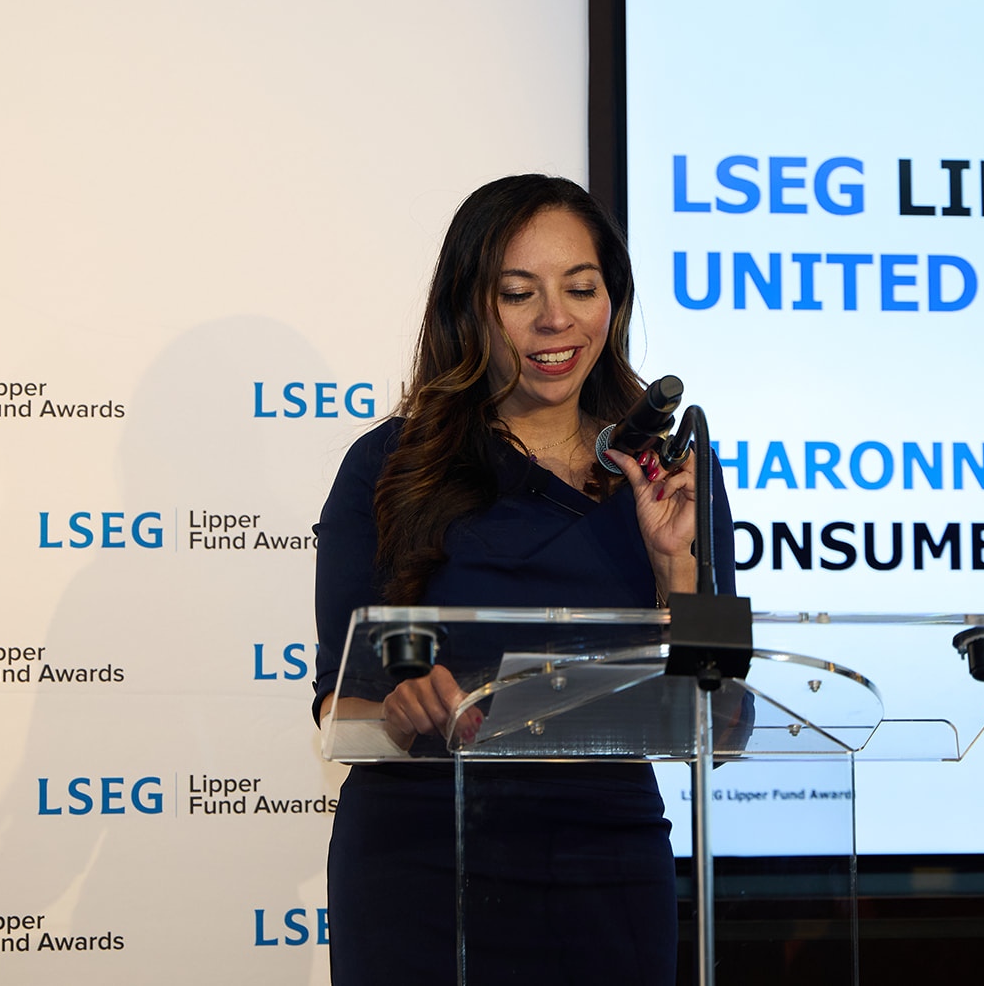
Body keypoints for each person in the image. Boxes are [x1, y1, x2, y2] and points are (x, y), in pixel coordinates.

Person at [312, 174, 734, 985]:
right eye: (518, 293)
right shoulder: (388, 466)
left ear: (614, 300)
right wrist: (399, 711)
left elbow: (724, 719)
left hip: (607, 868)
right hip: (421, 867)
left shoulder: (665, 473)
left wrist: (676, 566)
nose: (555, 318)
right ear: (471, 306)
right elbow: (337, 708)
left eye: (582, 287)